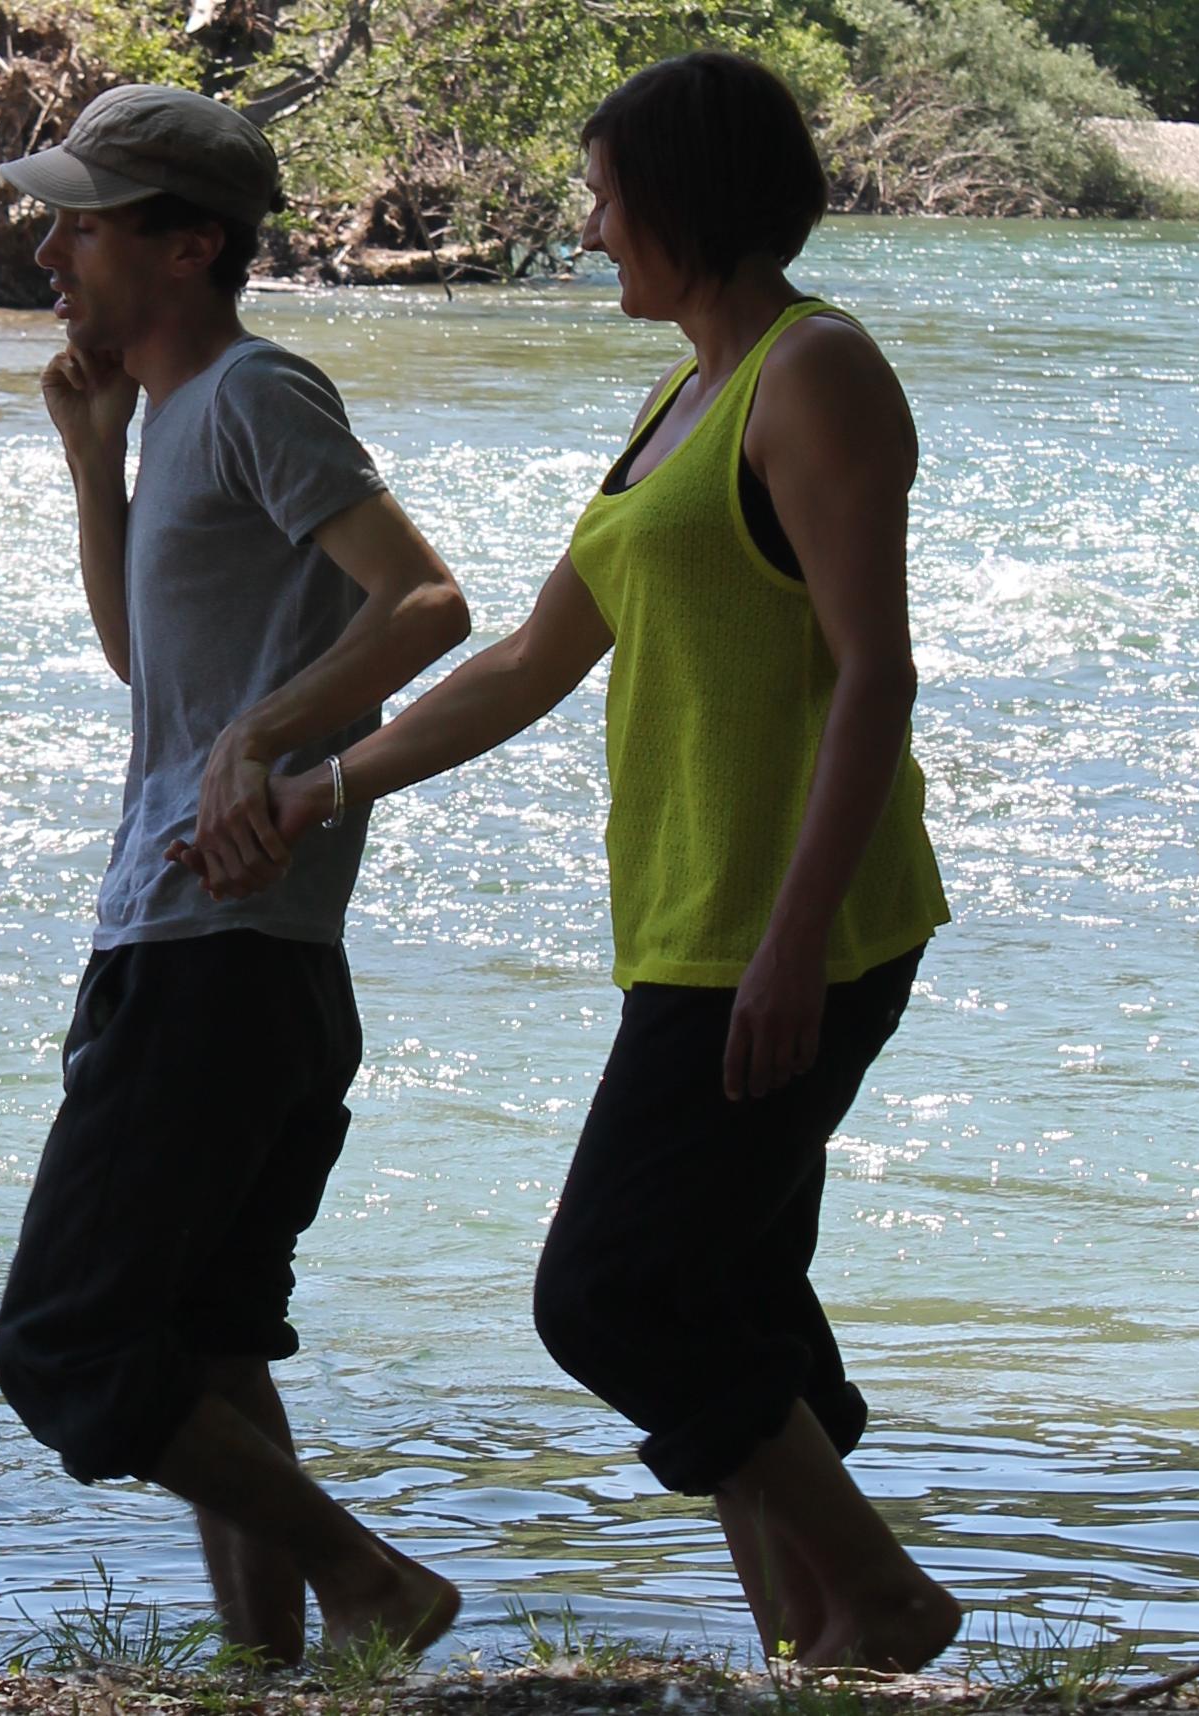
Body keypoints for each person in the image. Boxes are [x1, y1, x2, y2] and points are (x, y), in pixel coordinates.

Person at [170, 51, 964, 1672]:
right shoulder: (679, 398)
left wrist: (798, 943)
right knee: (725, 1293)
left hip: (791, 921)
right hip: (689, 918)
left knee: (607, 1291)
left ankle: (877, 1594)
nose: (589, 227)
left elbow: (874, 672)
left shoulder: (815, 374)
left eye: (604, 197)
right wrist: (323, 783)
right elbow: (531, 656)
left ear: (687, 199)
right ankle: (822, 1650)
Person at [0, 83, 476, 1666]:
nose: (49, 246)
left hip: (224, 945)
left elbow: (426, 604)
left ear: (189, 245)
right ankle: (269, 1671)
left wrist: (271, 733)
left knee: (64, 1342)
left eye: (83, 220)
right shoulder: (176, 412)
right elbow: (152, 666)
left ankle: (376, 1584)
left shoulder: (263, 393)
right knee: (198, 1335)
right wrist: (94, 460)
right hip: (205, 940)